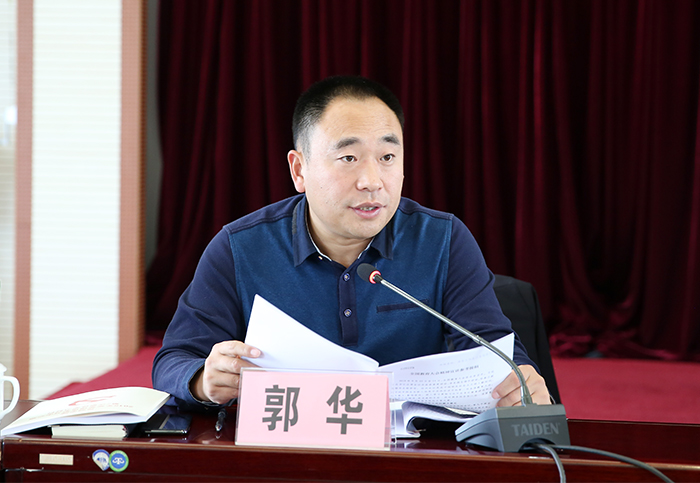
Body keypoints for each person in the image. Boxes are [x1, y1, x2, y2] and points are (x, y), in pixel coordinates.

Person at [152, 75, 551, 409]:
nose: (372, 181)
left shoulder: (443, 240)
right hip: (287, 453)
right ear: (299, 169)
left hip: (409, 454)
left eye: (387, 157)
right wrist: (203, 379)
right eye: (349, 158)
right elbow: (174, 360)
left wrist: (519, 382)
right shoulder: (239, 248)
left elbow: (493, 354)